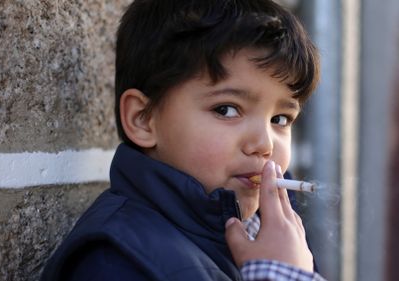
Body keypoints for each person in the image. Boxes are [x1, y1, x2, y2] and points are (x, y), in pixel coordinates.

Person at [41, 0, 325, 280]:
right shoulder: (117, 263)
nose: (265, 145)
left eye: (280, 119)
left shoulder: (278, 236)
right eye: (226, 109)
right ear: (143, 119)